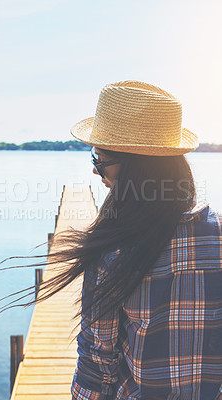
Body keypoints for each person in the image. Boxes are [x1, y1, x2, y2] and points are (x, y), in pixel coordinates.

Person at [68, 81, 222, 399]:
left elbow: (97, 369)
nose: (96, 173)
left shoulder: (112, 250)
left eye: (100, 160)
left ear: (138, 169)